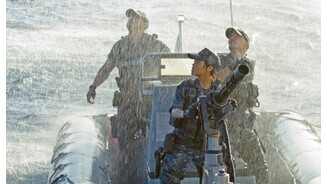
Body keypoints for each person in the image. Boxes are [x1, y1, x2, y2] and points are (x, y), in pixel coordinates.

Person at [86, 9, 171, 184]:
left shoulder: (154, 45)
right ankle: (126, 177)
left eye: (136, 18)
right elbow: (107, 68)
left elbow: (172, 62)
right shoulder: (120, 46)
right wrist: (93, 86)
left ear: (145, 24)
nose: (132, 21)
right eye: (130, 18)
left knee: (152, 141)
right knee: (125, 143)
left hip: (149, 102)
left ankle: (151, 175)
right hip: (127, 102)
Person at [160, 48, 236, 184]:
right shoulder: (185, 87)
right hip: (182, 144)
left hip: (207, 147)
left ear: (209, 68)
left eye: (198, 62)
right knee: (168, 179)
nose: (193, 64)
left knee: (219, 176)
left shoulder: (217, 92)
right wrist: (186, 113)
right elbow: (174, 111)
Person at [216, 27, 268, 184]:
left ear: (247, 44)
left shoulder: (248, 64)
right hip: (223, 124)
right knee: (223, 168)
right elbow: (217, 78)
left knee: (260, 166)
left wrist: (231, 68)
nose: (232, 37)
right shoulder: (219, 60)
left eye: (237, 36)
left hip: (243, 125)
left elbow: (242, 72)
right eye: (230, 36)